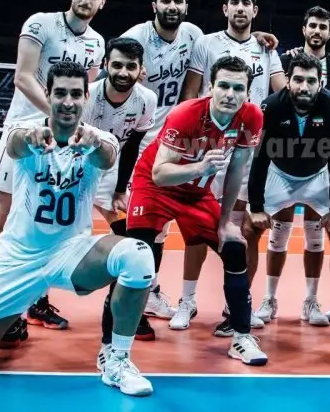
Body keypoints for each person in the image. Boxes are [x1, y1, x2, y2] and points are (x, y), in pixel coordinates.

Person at [0, 61, 154, 397]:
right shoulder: (24, 130)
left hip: (69, 254)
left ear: (86, 97)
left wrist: (94, 143)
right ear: (47, 95)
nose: (68, 102)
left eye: (76, 94)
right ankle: (14, 308)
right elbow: (15, 143)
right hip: (18, 260)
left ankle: (116, 360)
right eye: (60, 93)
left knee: (138, 255)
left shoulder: (99, 139)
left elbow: (107, 156)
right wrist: (28, 137)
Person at [0, 0, 109, 341]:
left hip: (64, 139)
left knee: (49, 223)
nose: (86, 0)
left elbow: (86, 92)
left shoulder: (97, 42)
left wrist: (72, 128)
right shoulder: (40, 23)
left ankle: (34, 300)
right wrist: (55, 118)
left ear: (102, 2)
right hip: (23, 131)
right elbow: (23, 76)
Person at [107, 55, 268, 365]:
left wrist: (225, 222)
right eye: (223, 86)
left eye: (238, 88)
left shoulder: (251, 117)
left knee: (234, 248)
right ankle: (116, 336)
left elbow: (237, 169)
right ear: (210, 87)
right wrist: (200, 167)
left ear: (248, 92)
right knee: (137, 253)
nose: (230, 94)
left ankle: (241, 338)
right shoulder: (186, 114)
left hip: (196, 194)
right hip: (155, 187)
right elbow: (159, 173)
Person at [173, 0, 286, 335]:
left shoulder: (267, 49)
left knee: (245, 229)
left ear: (255, 11)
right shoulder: (206, 44)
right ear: (225, 9)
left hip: (248, 149)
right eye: (234, 2)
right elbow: (191, 94)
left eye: (246, 3)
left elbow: (283, 93)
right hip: (210, 147)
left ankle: (236, 304)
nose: (240, 8)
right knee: (196, 228)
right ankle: (187, 300)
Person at [248, 54, 330, 330]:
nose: (304, 86)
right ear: (288, 82)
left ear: (320, 83)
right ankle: (256, 302)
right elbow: (259, 159)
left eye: (311, 81)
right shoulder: (270, 106)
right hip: (278, 174)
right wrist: (256, 207)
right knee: (248, 229)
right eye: (298, 80)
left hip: (318, 175)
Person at [82, 37, 156, 226]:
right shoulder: (86, 96)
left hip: (111, 165)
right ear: (105, 64)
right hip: (77, 166)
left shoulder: (147, 99)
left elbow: (132, 146)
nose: (123, 73)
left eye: (131, 67)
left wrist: (120, 190)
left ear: (141, 69)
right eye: (117, 65)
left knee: (126, 226)